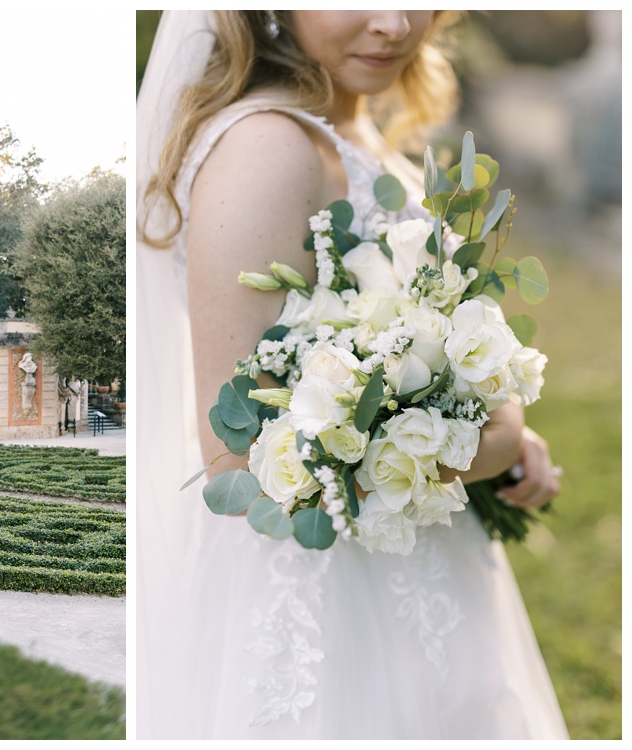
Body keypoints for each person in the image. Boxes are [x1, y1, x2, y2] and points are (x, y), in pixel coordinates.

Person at [136, 11, 566, 739]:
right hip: (321, 604)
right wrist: (488, 440)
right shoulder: (266, 148)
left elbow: (406, 357)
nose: (395, 23)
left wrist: (488, 419)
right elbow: (240, 459)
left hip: (427, 568)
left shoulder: (367, 144)